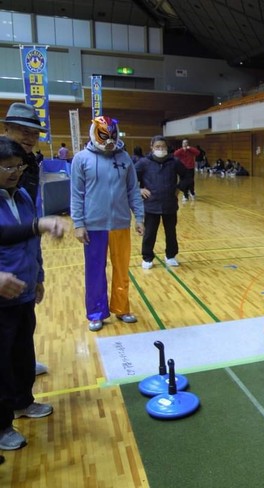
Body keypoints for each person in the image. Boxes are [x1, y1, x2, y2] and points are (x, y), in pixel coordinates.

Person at [0, 137, 67, 452]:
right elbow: (10, 233)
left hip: (24, 292)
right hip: (1, 296)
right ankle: (1, 427)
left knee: (23, 353)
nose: (14, 172)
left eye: (18, 166)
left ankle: (23, 403)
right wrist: (39, 224)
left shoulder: (24, 196)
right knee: (1, 363)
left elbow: (31, 242)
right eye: (7, 166)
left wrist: (39, 277)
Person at [70, 116, 144, 332]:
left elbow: (133, 189)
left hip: (120, 224)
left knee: (122, 270)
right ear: (94, 132)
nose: (109, 140)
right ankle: (96, 312)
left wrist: (139, 217)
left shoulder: (124, 158)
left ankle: (122, 308)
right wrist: (78, 223)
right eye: (104, 135)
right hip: (93, 226)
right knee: (95, 271)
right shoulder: (81, 159)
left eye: (113, 135)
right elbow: (76, 194)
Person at [2, 102, 49, 376]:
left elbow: (31, 224)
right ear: (5, 129)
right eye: (22, 131)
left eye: (35, 133)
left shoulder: (29, 166)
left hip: (23, 263)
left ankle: (22, 371)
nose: (30, 138)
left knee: (22, 327)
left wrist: (38, 274)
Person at [135, 135, 187, 269]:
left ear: (167, 148)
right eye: (157, 146)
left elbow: (187, 176)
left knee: (171, 232)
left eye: (163, 146)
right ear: (152, 147)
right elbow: (131, 179)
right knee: (150, 233)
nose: (160, 149)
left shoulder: (174, 161)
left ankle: (170, 256)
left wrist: (179, 188)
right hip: (151, 205)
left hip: (169, 204)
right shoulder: (143, 162)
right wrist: (140, 189)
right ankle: (147, 257)